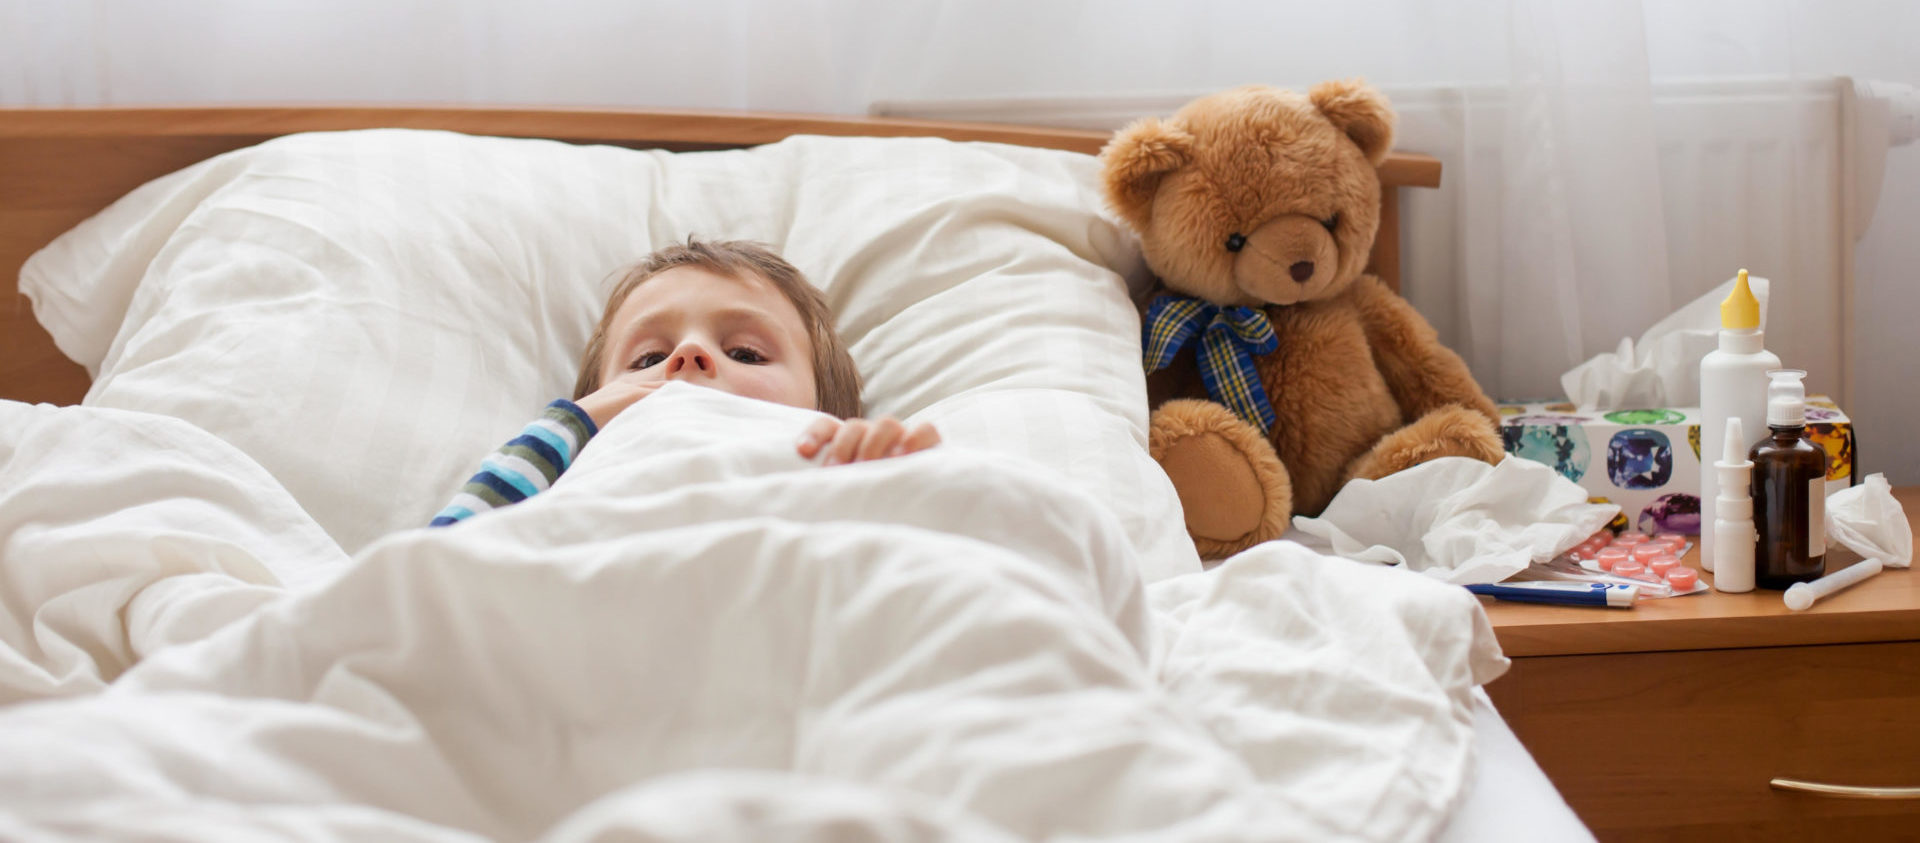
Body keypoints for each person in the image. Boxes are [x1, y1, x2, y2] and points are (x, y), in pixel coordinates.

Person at [429, 239, 939, 526]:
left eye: (745, 353)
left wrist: (886, 475)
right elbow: (447, 553)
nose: (687, 355)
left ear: (826, 410)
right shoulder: (568, 466)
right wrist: (573, 424)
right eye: (648, 356)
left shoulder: (831, 462)